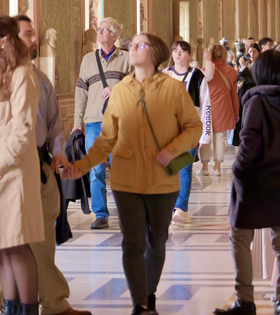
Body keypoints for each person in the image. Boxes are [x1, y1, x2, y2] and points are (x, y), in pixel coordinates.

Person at [63, 34, 202, 315]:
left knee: (156, 240)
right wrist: (84, 165)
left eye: (141, 44)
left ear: (156, 53)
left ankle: (149, 293)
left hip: (163, 181)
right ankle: (140, 304)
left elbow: (193, 128)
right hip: (127, 181)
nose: (134, 48)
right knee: (132, 242)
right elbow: (106, 139)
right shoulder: (121, 90)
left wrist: (174, 150)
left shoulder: (174, 89)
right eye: (133, 45)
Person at [4, 16, 91, 315]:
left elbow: (53, 125)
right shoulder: (9, 76)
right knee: (8, 246)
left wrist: (58, 153)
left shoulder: (38, 79)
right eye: (27, 34)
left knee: (38, 243)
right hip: (9, 169)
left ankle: (53, 303)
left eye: (32, 34)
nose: (32, 39)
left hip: (33, 166)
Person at [215, 51, 280, 315]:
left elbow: (249, 144)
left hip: (255, 182)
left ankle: (245, 299)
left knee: (240, 239)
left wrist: (238, 171)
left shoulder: (256, 101)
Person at [0, 16, 42, 315]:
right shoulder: (5, 73)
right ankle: (9, 308)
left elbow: (22, 131)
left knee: (17, 245)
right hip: (2, 171)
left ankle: (27, 310)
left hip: (13, 172)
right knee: (3, 248)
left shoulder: (23, 74)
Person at [73, 17, 132, 230]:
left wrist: (118, 89)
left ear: (114, 35)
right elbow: (81, 93)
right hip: (93, 123)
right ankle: (101, 214)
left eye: (104, 30)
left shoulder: (126, 59)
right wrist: (76, 122)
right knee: (96, 170)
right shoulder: (88, 60)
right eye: (99, 29)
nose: (100, 33)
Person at [163, 40, 212, 226]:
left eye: (182, 51)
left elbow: (206, 105)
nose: (178, 54)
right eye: (175, 51)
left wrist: (205, 134)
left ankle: (180, 209)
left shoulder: (197, 76)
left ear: (188, 55)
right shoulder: (164, 75)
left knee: (184, 169)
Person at [198, 44, 238, 177]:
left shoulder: (204, 70)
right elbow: (234, 94)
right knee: (220, 138)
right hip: (224, 108)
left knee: (205, 136)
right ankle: (217, 167)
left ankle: (204, 167)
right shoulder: (231, 71)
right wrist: (236, 112)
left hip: (208, 109)